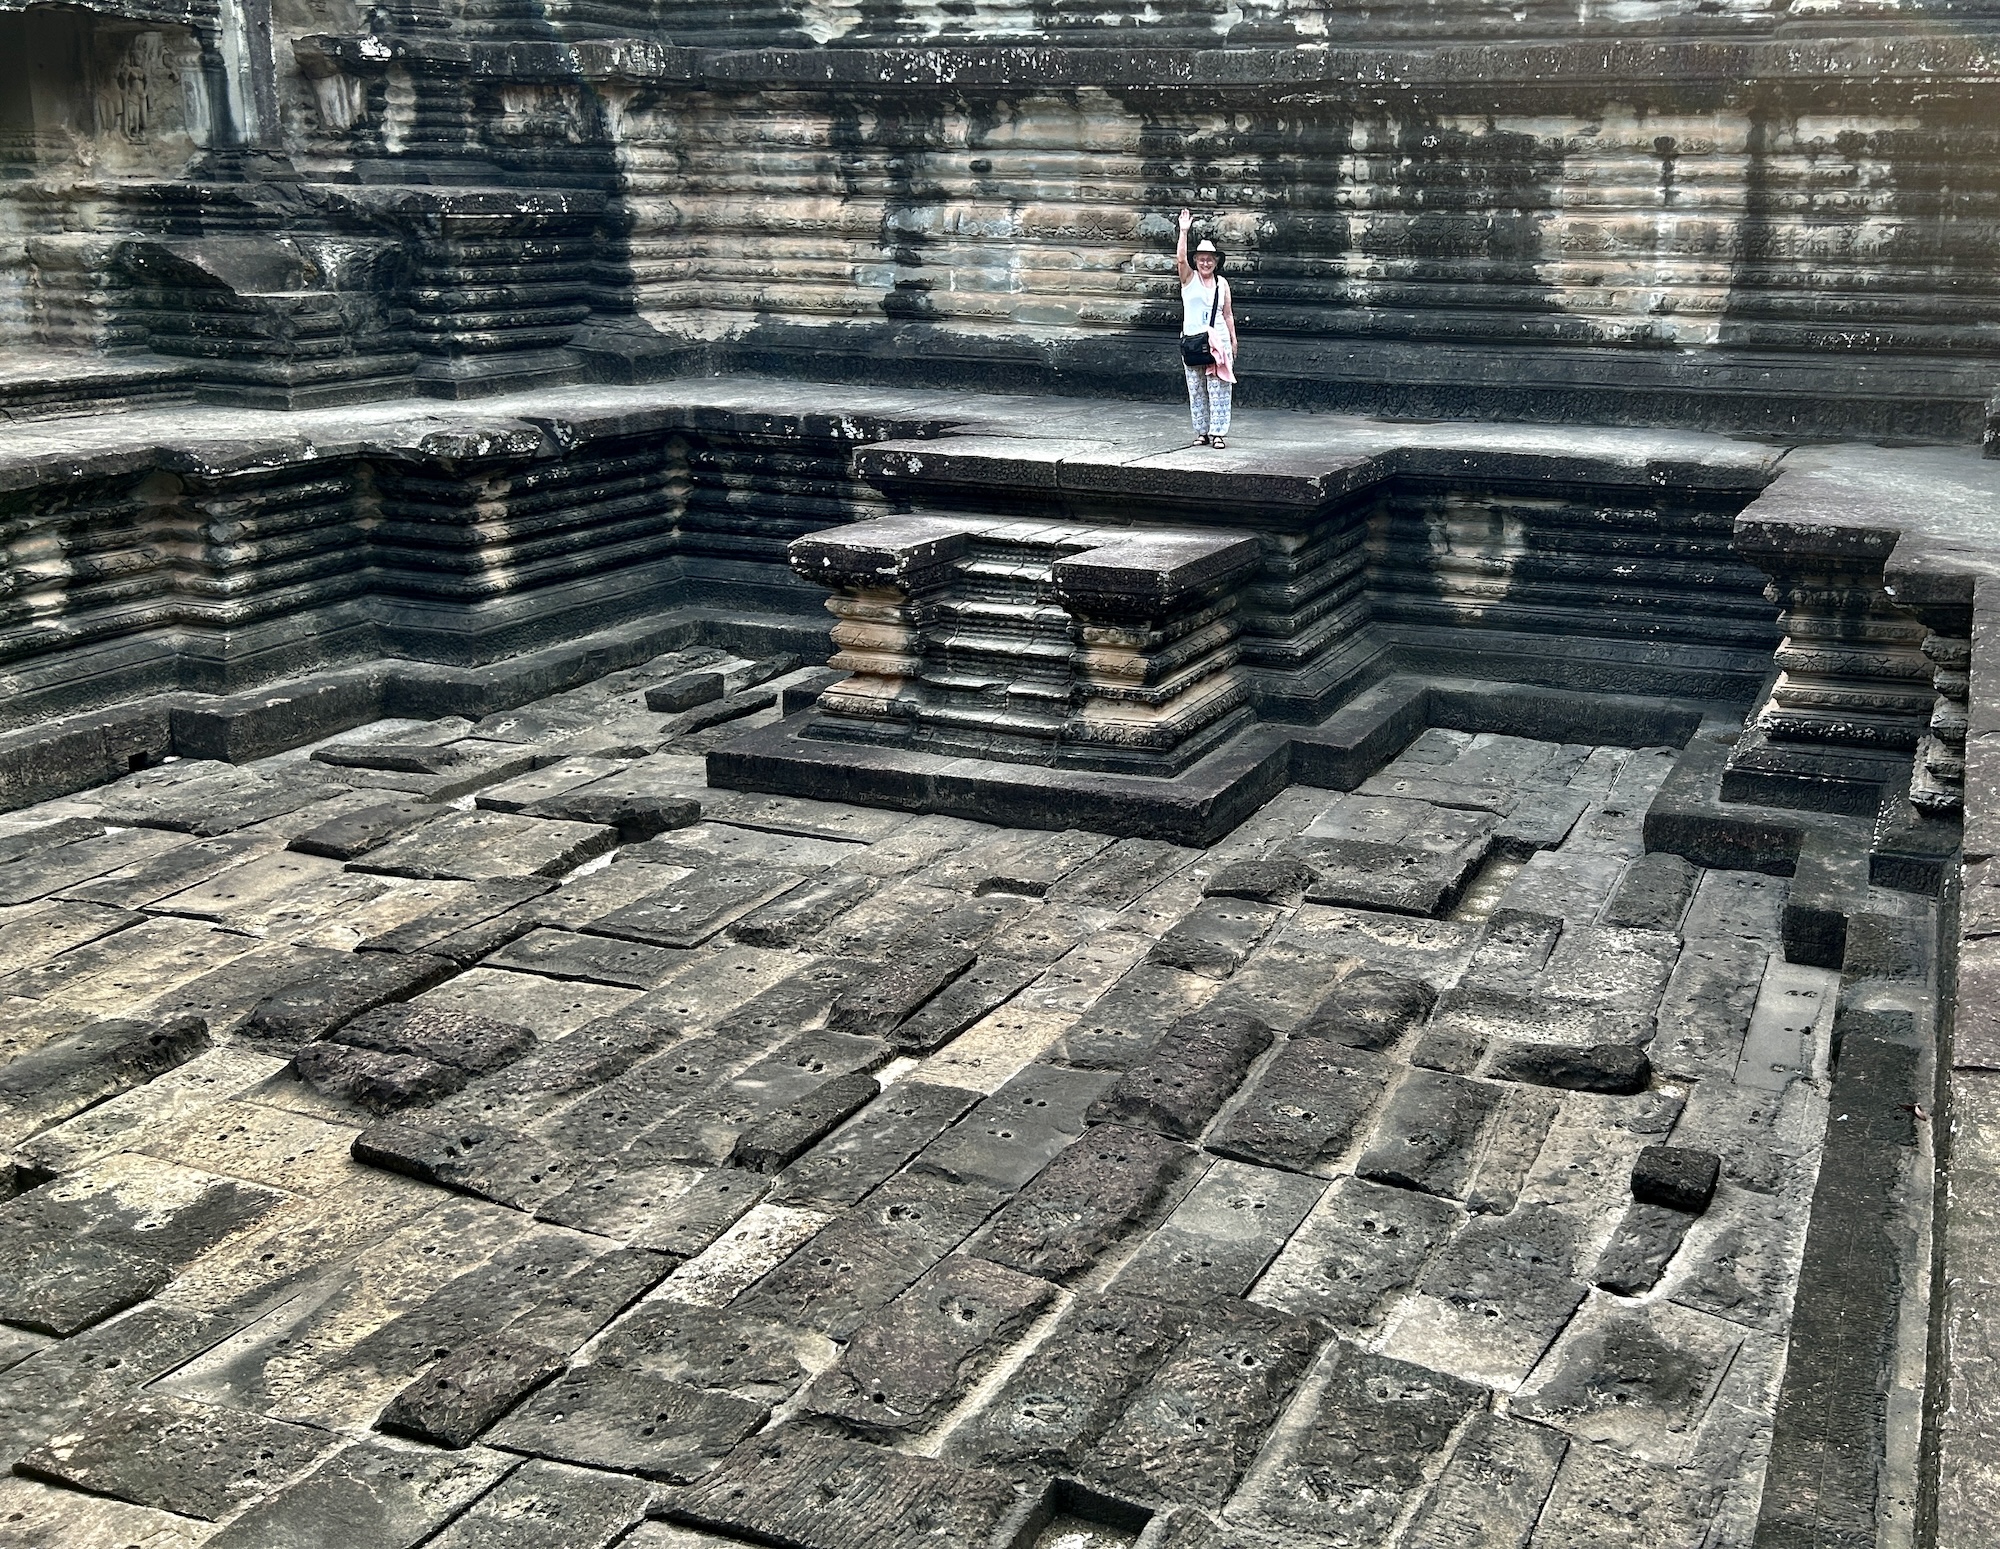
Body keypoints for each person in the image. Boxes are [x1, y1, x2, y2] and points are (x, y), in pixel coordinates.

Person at [1175, 206, 1238, 448]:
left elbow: (1228, 314)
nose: (1205, 262)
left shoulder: (1222, 284)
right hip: (1193, 340)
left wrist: (1233, 340)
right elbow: (1180, 259)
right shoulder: (1189, 280)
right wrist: (1184, 231)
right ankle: (1201, 432)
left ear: (1216, 262)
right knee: (1196, 388)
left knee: (1219, 387)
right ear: (1195, 262)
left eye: (1209, 259)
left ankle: (1218, 433)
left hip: (1217, 340)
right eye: (1201, 259)